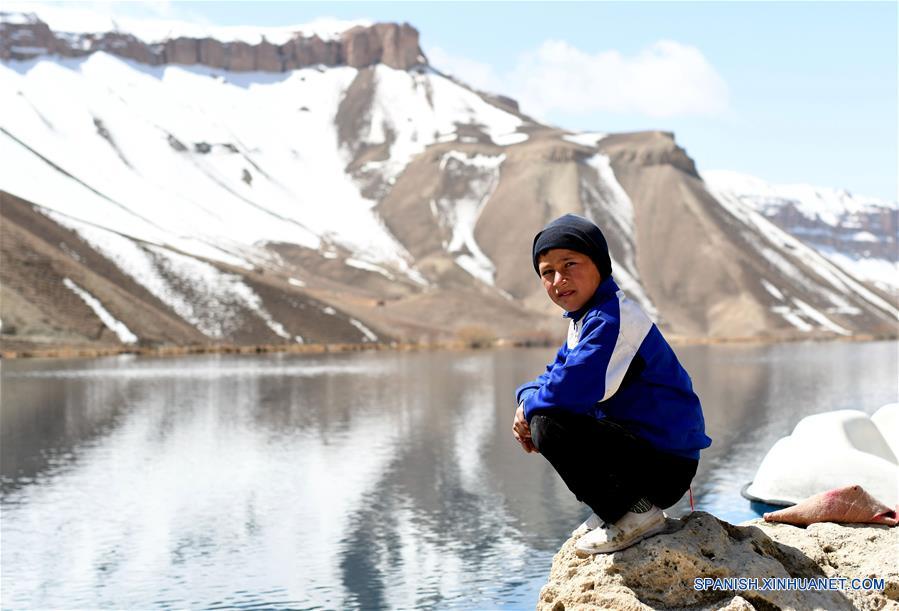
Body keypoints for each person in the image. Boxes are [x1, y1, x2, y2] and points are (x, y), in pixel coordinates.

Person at [512, 213, 712, 554]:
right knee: (543, 413)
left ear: (600, 264)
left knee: (548, 423)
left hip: (666, 465)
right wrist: (525, 399)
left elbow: (567, 392)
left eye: (570, 264)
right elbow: (554, 374)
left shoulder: (612, 320)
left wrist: (530, 409)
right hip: (646, 458)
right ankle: (615, 511)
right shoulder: (586, 319)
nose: (559, 279)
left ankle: (636, 514)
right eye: (547, 272)